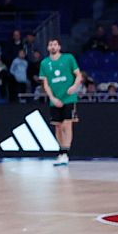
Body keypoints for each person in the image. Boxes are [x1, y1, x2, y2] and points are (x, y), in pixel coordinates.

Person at [37, 38, 84, 166]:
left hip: (68, 97)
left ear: (59, 47)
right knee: (57, 126)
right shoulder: (44, 63)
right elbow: (45, 84)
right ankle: (61, 152)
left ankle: (65, 152)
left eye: (55, 44)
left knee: (67, 125)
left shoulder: (68, 58)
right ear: (48, 48)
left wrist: (74, 87)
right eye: (50, 44)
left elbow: (78, 75)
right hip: (55, 99)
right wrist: (52, 98)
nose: (53, 46)